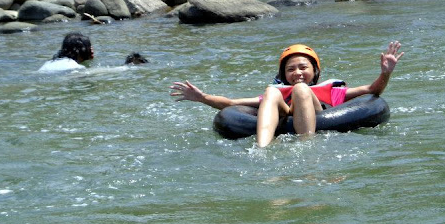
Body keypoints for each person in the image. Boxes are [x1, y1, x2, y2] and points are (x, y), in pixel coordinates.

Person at [170, 41, 403, 147]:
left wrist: (385, 73)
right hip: (285, 111)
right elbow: (231, 104)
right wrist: (202, 98)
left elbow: (372, 93)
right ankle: (262, 149)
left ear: (315, 71)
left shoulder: (333, 91)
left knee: (301, 91)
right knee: (271, 92)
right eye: (291, 69)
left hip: (320, 115)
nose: (298, 73)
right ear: (283, 73)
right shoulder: (279, 90)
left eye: (304, 67)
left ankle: (307, 145)